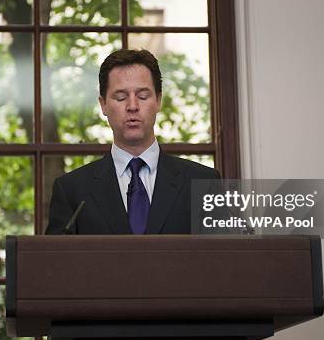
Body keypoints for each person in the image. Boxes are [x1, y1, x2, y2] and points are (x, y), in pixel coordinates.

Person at [45, 49, 220, 235]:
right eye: (120, 97)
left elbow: (225, 259)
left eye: (143, 96)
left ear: (158, 101)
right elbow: (55, 261)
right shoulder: (72, 190)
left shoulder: (203, 183)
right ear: (103, 105)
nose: (132, 106)